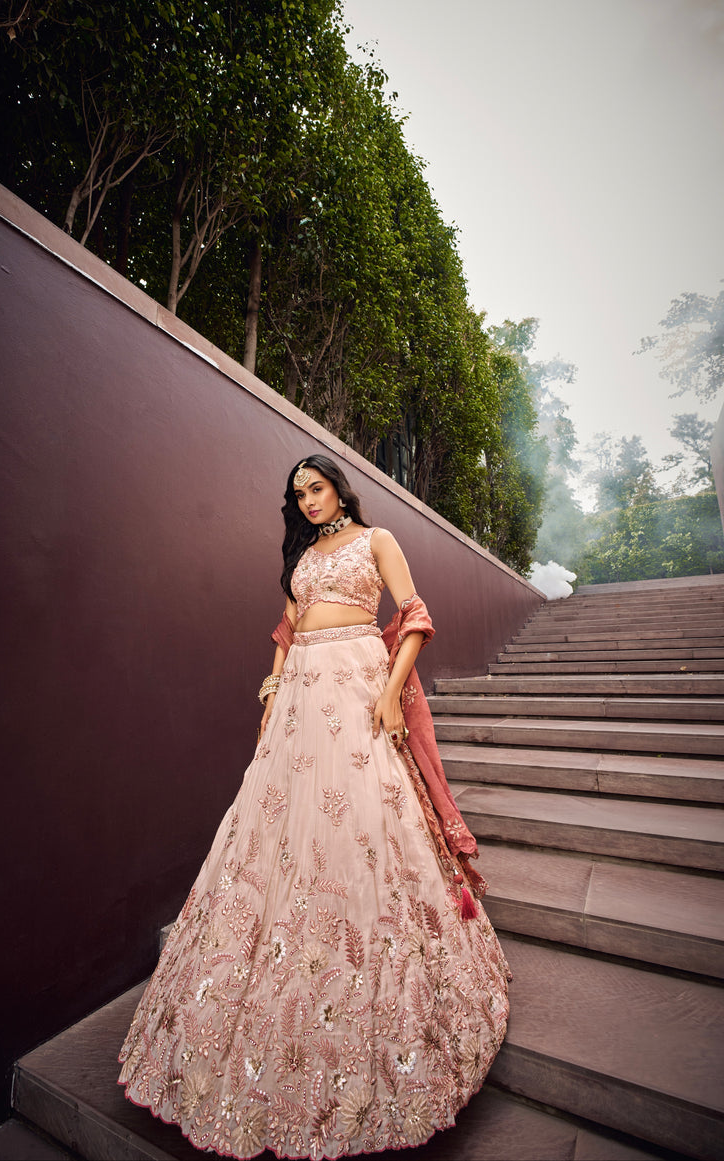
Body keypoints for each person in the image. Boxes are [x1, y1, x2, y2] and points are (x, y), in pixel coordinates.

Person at [118, 455, 510, 1158]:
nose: (307, 501)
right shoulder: (301, 559)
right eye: (297, 494)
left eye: (316, 488)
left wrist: (390, 694)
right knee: (275, 840)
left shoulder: (377, 538)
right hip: (299, 702)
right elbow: (287, 632)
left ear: (339, 488)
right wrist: (271, 693)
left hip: (357, 686)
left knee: (363, 830)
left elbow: (414, 616)